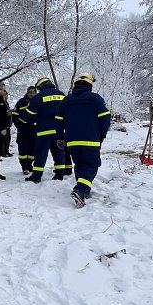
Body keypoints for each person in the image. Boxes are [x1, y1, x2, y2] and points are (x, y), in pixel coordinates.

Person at [60, 73, 111, 207]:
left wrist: (60, 137)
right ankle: (81, 190)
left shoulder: (66, 100)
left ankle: (84, 191)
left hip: (72, 141)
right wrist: (102, 135)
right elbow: (105, 118)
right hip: (91, 140)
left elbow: (58, 120)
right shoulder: (95, 99)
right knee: (91, 165)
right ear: (90, 85)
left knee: (80, 165)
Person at [23, 76, 73, 183]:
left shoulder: (39, 97)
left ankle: (36, 177)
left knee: (40, 154)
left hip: (44, 131)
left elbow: (29, 114)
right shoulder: (61, 95)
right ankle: (59, 175)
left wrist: (37, 119)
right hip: (59, 131)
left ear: (41, 86)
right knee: (59, 153)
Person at [12, 86, 37, 174]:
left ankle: (30, 165)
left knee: (32, 149)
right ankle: (24, 166)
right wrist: (20, 125)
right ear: (27, 93)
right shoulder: (21, 102)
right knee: (23, 149)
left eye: (33, 92)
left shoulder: (38, 101)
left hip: (34, 129)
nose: (32, 94)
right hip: (23, 130)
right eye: (30, 92)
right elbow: (15, 115)